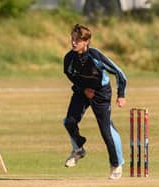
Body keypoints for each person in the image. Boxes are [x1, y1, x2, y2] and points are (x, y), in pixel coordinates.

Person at [62, 24, 127, 180]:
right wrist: (83, 89)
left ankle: (116, 164)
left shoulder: (96, 56)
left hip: (100, 93)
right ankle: (78, 149)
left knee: (106, 131)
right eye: (72, 39)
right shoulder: (69, 58)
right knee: (69, 122)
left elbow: (119, 74)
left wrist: (121, 95)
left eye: (77, 40)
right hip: (82, 91)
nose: (73, 43)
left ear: (87, 41)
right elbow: (69, 74)